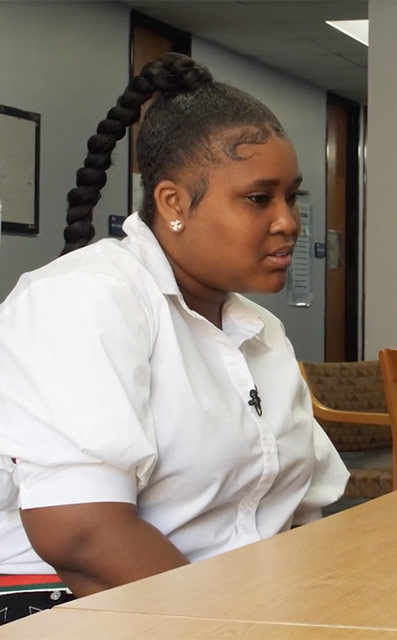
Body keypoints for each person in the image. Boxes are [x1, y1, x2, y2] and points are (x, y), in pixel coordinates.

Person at [0, 53, 348, 623]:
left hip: (244, 604)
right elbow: (82, 538)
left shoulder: (261, 331)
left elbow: (302, 505)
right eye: (260, 198)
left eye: (292, 197)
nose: (288, 221)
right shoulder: (83, 300)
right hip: (78, 608)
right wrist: (236, 627)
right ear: (173, 203)